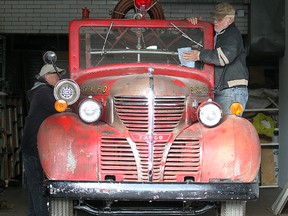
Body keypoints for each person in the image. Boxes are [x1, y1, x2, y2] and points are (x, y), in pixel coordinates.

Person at [182, 2, 249, 115]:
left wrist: (198, 55)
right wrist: (193, 24)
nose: (215, 21)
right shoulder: (220, 34)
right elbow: (198, 41)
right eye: (214, 18)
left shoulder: (232, 35)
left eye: (219, 19)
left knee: (228, 126)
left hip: (231, 91)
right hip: (223, 89)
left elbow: (223, 58)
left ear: (230, 20)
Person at [21, 63, 65, 216]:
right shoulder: (43, 92)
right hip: (34, 146)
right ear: (47, 76)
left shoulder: (41, 91)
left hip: (32, 145)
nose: (60, 77)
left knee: (34, 185)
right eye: (56, 74)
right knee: (38, 185)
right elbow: (61, 108)